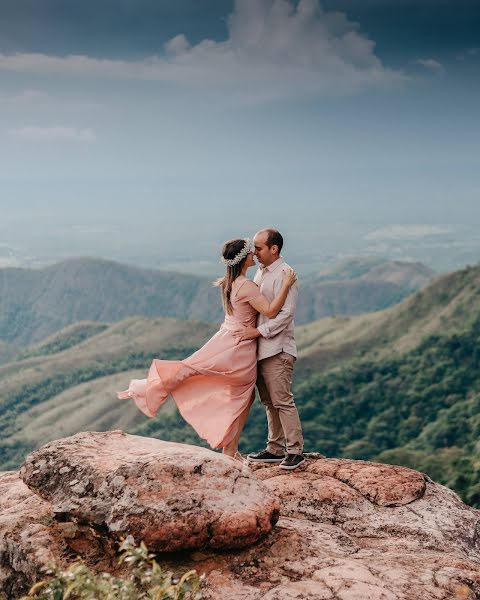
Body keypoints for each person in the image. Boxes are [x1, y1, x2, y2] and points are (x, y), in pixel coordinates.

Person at [117, 237, 297, 460]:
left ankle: (150, 388)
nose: (255, 254)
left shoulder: (229, 283)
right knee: (239, 395)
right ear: (243, 260)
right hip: (239, 347)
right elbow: (270, 311)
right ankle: (229, 450)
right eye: (251, 252)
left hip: (226, 339)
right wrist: (286, 285)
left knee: (197, 371)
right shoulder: (247, 286)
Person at [233, 228, 305, 470]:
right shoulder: (261, 273)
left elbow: (286, 315)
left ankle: (295, 451)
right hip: (261, 349)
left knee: (282, 401)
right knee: (268, 402)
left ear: (274, 249)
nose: (255, 252)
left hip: (278, 348)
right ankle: (275, 448)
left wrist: (258, 332)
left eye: (259, 248)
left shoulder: (286, 274)